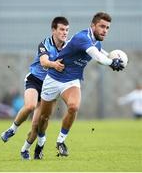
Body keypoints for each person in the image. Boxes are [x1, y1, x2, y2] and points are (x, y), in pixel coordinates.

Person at [31, 12, 124, 159]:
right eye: (102, 26)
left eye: (107, 27)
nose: (105, 30)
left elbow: (102, 54)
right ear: (92, 26)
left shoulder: (97, 42)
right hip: (54, 78)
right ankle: (40, 143)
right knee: (44, 117)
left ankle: (60, 142)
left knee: (74, 106)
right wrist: (111, 62)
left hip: (71, 80)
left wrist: (112, 60)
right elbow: (96, 55)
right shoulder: (82, 38)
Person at [0, 16, 69, 160]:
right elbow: (44, 62)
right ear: (53, 30)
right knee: (30, 106)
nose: (65, 33)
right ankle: (12, 129)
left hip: (51, 86)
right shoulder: (45, 43)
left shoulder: (68, 47)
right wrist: (54, 64)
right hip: (35, 80)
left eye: (67, 30)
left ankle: (25, 149)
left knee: (37, 125)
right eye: (62, 29)